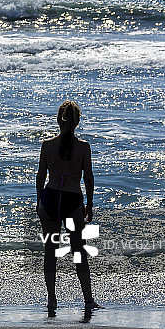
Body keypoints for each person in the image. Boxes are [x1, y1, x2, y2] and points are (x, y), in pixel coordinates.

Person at [36, 101, 102, 311]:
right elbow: (88, 179)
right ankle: (88, 300)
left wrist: (39, 201)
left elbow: (40, 177)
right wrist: (89, 204)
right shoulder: (83, 148)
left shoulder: (47, 145)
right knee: (79, 252)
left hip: (50, 199)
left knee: (50, 251)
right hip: (73, 200)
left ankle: (52, 300)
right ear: (77, 122)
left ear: (58, 120)